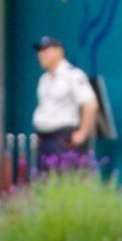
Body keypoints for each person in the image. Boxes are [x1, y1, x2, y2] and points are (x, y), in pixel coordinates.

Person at [31, 36, 100, 172]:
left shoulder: (73, 75)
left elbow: (90, 104)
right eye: (39, 51)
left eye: (45, 50)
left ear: (59, 51)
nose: (40, 55)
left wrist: (82, 133)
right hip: (45, 139)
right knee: (45, 183)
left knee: (63, 180)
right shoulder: (44, 79)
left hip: (62, 139)